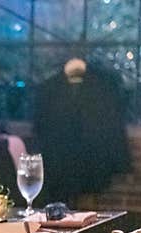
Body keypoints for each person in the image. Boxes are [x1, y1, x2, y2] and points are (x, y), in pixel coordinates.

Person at [34, 58, 132, 206]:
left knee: (73, 205)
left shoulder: (50, 88)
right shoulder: (103, 86)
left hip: (76, 159)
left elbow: (39, 125)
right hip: (79, 159)